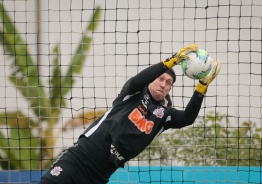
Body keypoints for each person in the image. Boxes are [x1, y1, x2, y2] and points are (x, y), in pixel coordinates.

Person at [39, 43, 221, 184]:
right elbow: (136, 81)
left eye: (169, 82)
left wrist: (201, 88)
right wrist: (170, 62)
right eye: (161, 78)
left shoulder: (164, 115)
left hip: (99, 176)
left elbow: (187, 118)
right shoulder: (133, 93)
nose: (164, 84)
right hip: (79, 158)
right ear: (152, 80)